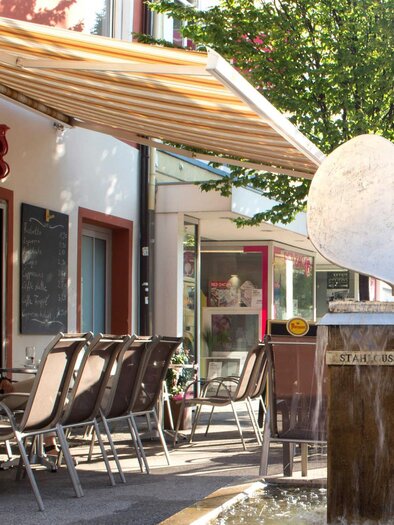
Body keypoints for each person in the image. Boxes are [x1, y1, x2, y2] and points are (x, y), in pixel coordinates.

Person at [0, 376, 59, 455]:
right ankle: (50, 446)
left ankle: (50, 446)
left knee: (41, 394)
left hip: (4, 392)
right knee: (41, 382)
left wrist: (4, 380)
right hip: (2, 398)